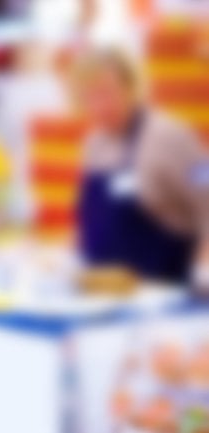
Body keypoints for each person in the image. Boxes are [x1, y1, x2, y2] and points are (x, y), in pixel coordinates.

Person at [71, 48, 209, 286]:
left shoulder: (170, 136)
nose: (99, 105)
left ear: (132, 87)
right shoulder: (94, 145)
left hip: (166, 294)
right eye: (90, 96)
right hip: (104, 293)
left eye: (107, 93)